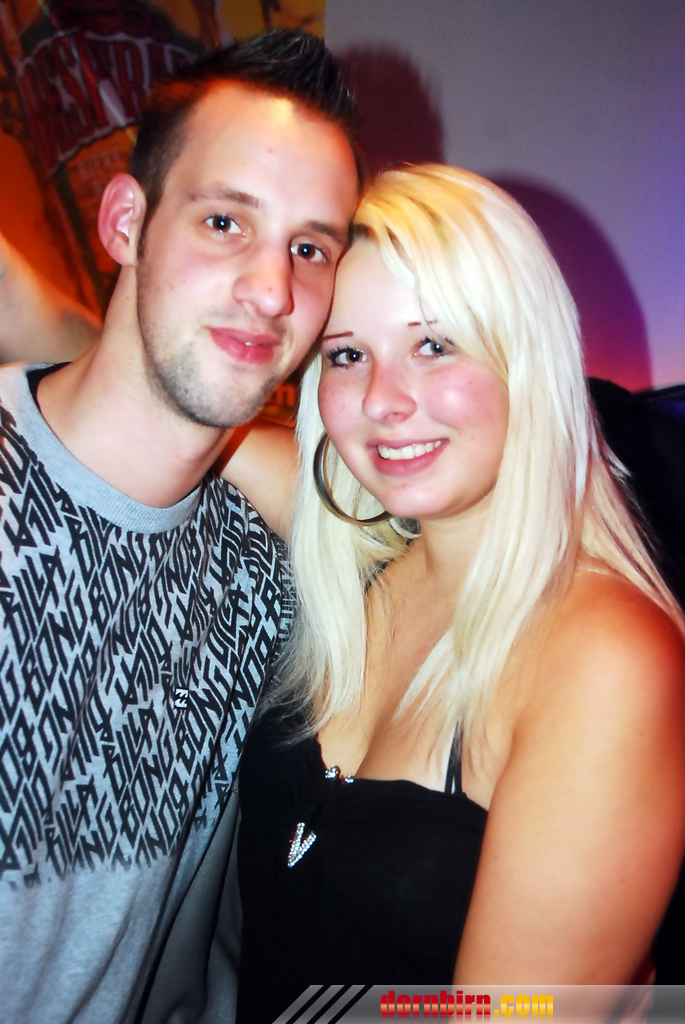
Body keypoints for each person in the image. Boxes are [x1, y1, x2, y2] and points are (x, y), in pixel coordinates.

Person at [230, 165, 685, 1022]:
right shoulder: (367, 558)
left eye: (433, 345)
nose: (382, 401)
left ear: (526, 360)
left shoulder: (601, 658)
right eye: (347, 354)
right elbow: (153, 406)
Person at [0, 29, 360, 1024]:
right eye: (223, 221)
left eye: (309, 248)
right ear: (126, 221)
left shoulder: (268, 569)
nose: (272, 290)